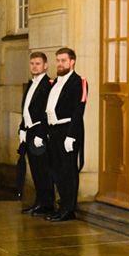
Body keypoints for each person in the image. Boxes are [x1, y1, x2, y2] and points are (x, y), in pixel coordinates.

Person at [45, 47, 88, 222]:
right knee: (56, 170)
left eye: (63, 60)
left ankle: (69, 209)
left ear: (72, 62)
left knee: (68, 171)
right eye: (58, 60)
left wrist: (71, 135)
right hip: (54, 131)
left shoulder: (79, 82)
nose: (60, 64)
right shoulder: (55, 82)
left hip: (68, 130)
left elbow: (79, 110)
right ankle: (61, 205)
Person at [19, 52, 54, 216]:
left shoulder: (48, 85)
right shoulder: (30, 84)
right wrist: (22, 129)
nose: (34, 66)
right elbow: (26, 109)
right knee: (35, 169)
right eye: (32, 63)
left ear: (45, 65)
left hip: (39, 132)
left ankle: (46, 204)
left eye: (38, 63)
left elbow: (47, 112)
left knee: (43, 169)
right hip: (30, 131)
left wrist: (41, 133)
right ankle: (39, 202)